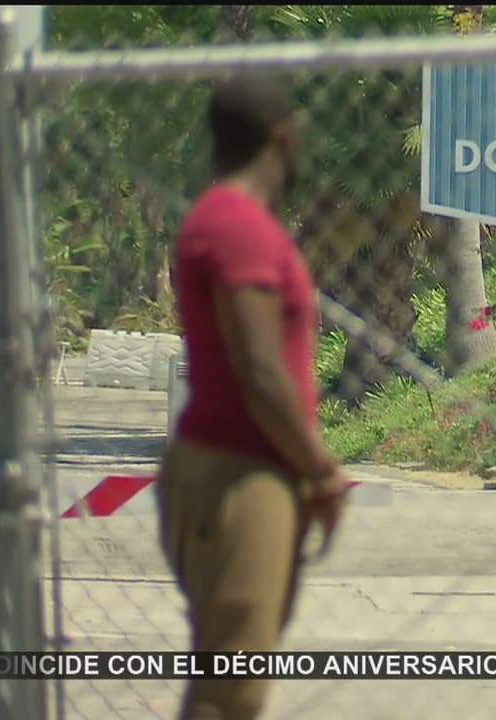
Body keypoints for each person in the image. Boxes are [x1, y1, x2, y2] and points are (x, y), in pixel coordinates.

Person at [156, 77, 351, 720]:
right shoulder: (238, 229)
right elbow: (260, 373)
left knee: (232, 673)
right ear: (281, 138)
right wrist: (321, 472)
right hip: (243, 475)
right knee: (228, 693)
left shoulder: (219, 220)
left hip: (234, 467)